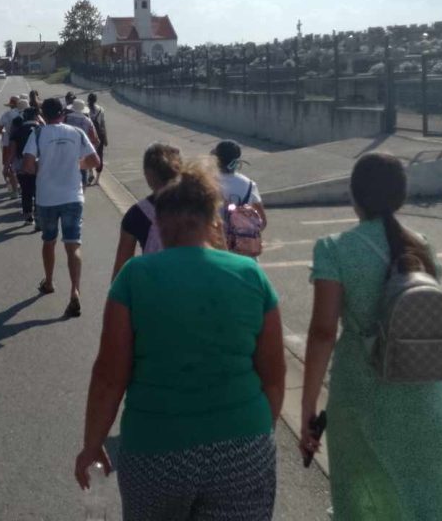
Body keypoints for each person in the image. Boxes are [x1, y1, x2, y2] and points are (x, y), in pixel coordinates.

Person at [75, 161, 287, 520]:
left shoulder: (134, 277)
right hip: (243, 445)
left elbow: (110, 376)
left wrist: (92, 445)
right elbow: (274, 375)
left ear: (159, 222)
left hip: (156, 450)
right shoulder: (250, 275)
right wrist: (257, 432)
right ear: (213, 219)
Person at [299, 152, 442, 520]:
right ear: (400, 197)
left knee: (365, 496)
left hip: (362, 394)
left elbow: (323, 333)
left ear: (354, 196)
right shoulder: (421, 245)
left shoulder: (334, 249)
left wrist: (308, 407)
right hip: (423, 391)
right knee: (426, 496)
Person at [22, 97, 99, 317]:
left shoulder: (37, 134)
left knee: (49, 241)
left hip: (47, 198)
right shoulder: (77, 132)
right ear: (63, 114)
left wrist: (44, 167)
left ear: (43, 116)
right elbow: (94, 161)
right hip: (73, 197)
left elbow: (27, 166)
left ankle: (48, 282)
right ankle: (75, 291)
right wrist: (77, 164)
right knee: (73, 245)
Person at [110, 143, 182, 280]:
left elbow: (121, 269)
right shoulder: (199, 206)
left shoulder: (137, 214)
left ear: (148, 175)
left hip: (154, 285)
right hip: (195, 286)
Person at [211, 140, 267, 228]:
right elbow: (262, 221)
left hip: (213, 234)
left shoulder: (206, 181)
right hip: (240, 235)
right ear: (237, 162)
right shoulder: (249, 185)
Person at [9, 106, 42, 227]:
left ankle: (28, 217)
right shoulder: (42, 129)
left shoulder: (17, 131)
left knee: (26, 191)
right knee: (39, 192)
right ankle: (38, 216)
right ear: (36, 116)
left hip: (21, 166)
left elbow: (12, 152)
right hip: (39, 165)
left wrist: (8, 165)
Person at [64, 99, 101, 186]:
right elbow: (95, 140)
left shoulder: (65, 118)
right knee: (82, 182)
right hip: (81, 156)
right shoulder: (87, 121)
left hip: (65, 154)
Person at [0, 96, 21, 198]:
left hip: (8, 143)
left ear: (11, 105)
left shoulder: (6, 114)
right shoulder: (23, 113)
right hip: (21, 143)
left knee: (8, 166)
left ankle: (12, 188)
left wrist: (5, 133)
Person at [87, 92, 108, 178]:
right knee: (99, 154)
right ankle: (97, 178)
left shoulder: (85, 109)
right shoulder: (101, 109)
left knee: (89, 153)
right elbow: (103, 124)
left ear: (88, 100)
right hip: (99, 134)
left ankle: (90, 172)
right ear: (96, 100)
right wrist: (105, 138)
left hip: (89, 134)